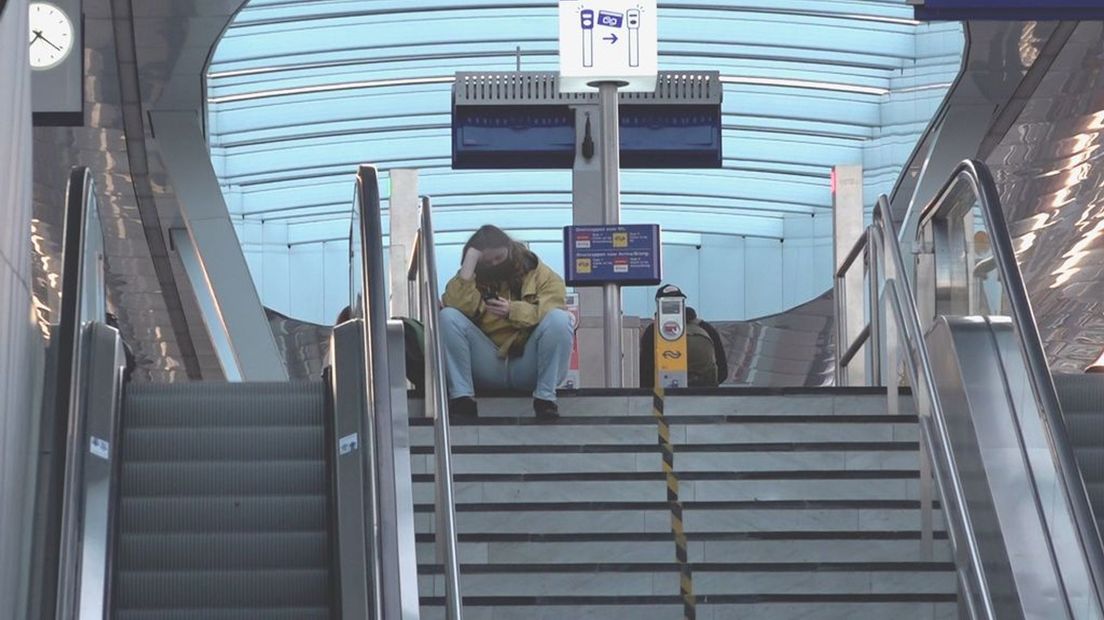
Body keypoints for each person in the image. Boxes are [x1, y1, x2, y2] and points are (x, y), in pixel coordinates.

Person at [440, 225, 572, 419]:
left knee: (560, 319)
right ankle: (462, 398)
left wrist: (513, 310)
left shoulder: (541, 274)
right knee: (447, 316)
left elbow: (551, 310)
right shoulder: (470, 278)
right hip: (487, 363)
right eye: (487, 261)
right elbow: (455, 306)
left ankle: (545, 399)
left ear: (509, 250)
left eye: (499, 258)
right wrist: (469, 263)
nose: (494, 264)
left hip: (528, 362)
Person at [640, 304, 728, 388]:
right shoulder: (706, 328)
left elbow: (645, 373)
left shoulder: (654, 330)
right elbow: (723, 372)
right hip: (703, 392)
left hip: (665, 394)